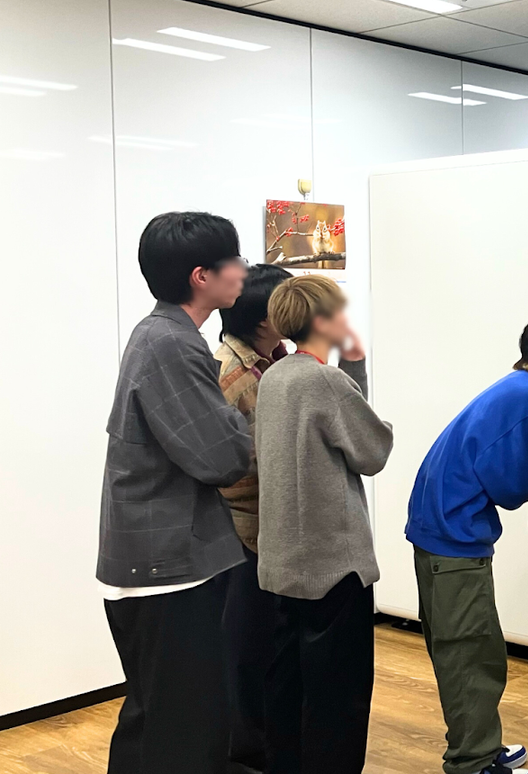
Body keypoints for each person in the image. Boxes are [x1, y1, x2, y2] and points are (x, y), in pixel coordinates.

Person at [98, 212, 253, 774]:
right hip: (169, 565)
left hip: (163, 560)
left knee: (158, 719)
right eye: (233, 261)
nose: (243, 271)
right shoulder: (171, 344)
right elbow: (222, 458)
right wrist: (238, 422)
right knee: (182, 729)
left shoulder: (164, 335)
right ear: (200, 276)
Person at [406, 310, 528, 774]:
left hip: (439, 531)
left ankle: (479, 746)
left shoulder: (514, 387)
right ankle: (473, 762)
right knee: (470, 656)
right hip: (453, 540)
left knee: (469, 651)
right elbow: (511, 488)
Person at [256, 274, 394, 774]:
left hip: (282, 563)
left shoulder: (275, 377)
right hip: (333, 566)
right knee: (339, 700)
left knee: (289, 691)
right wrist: (354, 365)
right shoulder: (325, 381)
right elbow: (372, 450)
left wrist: (350, 365)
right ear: (324, 320)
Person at [214, 263, 292, 774]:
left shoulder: (277, 361)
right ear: (265, 319)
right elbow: (238, 464)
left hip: (275, 527)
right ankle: (248, 753)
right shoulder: (229, 372)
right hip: (245, 530)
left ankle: (272, 743)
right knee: (247, 649)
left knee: (272, 647)